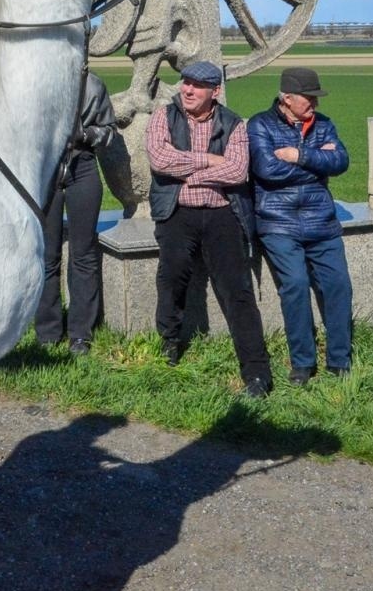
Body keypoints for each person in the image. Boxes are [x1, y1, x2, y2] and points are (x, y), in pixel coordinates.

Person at [145, 60, 273, 397]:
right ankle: (169, 343)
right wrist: (209, 160)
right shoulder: (163, 117)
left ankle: (257, 373)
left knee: (237, 291)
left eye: (197, 85)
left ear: (214, 91)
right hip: (177, 212)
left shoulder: (234, 124)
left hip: (222, 214)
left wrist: (189, 171)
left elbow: (237, 172)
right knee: (171, 278)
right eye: (185, 82)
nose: (187, 90)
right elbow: (160, 160)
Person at [248, 67, 352, 385]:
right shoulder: (260, 125)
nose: (315, 104)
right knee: (294, 285)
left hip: (322, 221)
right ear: (287, 98)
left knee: (338, 285)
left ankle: (340, 360)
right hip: (278, 222)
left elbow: (342, 162)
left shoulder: (324, 124)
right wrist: (319, 162)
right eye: (309, 98)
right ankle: (303, 363)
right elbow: (267, 170)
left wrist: (299, 155)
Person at [35, 71, 115, 355]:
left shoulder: (93, 84)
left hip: (83, 165)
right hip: (47, 168)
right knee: (48, 254)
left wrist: (85, 134)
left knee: (83, 253)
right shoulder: (38, 78)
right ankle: (47, 332)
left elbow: (109, 132)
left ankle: (80, 333)